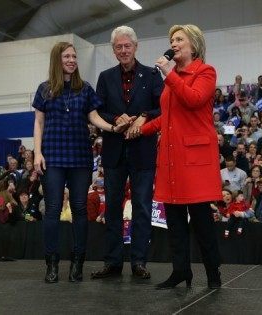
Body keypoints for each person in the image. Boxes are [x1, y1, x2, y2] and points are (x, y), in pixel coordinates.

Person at [130, 24, 222, 289]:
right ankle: (181, 271)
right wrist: (141, 129)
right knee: (174, 220)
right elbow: (168, 118)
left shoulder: (205, 72)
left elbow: (193, 99)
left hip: (194, 158)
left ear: (193, 44)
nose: (174, 43)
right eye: (172, 40)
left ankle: (213, 273)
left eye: (179, 39)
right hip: (172, 158)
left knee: (202, 220)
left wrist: (169, 74)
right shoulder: (172, 79)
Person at [32, 41, 128, 284]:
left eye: (74, 56)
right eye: (67, 56)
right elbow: (39, 123)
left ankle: (78, 264)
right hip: (52, 156)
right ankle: (51, 264)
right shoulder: (44, 89)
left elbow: (94, 117)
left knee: (80, 210)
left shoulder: (84, 89)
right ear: (57, 60)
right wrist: (37, 154)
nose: (72, 60)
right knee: (53, 209)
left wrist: (113, 127)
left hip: (80, 157)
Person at [91, 26, 163, 281]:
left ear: (136, 46)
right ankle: (112, 262)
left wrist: (144, 117)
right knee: (111, 208)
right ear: (113, 50)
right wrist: (115, 119)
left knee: (142, 208)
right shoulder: (105, 76)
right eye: (118, 47)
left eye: (127, 46)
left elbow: (163, 108)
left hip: (143, 151)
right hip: (113, 151)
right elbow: (97, 111)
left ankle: (139, 262)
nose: (123, 50)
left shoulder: (153, 75)